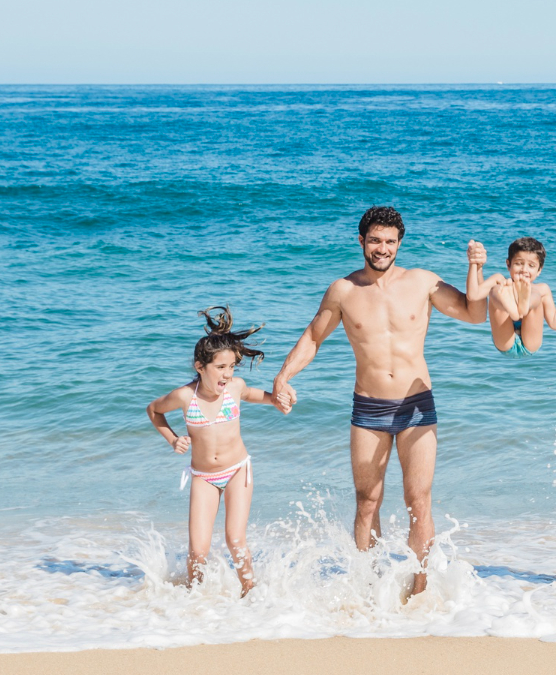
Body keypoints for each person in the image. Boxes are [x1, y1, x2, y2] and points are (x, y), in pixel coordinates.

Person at [271, 206, 487, 597]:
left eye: (389, 242)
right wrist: (284, 375)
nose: (382, 249)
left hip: (417, 405)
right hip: (368, 406)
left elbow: (475, 313)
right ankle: (368, 586)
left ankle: (419, 590)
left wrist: (475, 268)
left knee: (417, 500)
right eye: (375, 240)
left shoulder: (423, 282)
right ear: (361, 241)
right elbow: (313, 338)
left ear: (399, 244)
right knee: (367, 500)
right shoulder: (343, 290)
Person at [145, 307, 278, 596]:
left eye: (232, 367)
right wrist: (171, 439)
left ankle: (250, 591)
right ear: (200, 367)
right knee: (198, 549)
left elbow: (259, 395)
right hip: (203, 475)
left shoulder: (235, 388)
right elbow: (153, 410)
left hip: (237, 471)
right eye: (221, 367)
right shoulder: (184, 396)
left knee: (235, 539)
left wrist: (277, 401)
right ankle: (195, 599)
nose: (227, 374)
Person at [468, 236, 556, 357]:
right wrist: (474, 264)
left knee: (536, 292)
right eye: (519, 263)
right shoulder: (501, 281)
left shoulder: (542, 289)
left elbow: (555, 323)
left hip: (530, 342)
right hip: (505, 339)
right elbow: (473, 295)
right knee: (497, 289)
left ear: (539, 270)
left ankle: (524, 305)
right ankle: (512, 309)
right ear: (508, 264)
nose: (524, 270)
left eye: (531, 266)